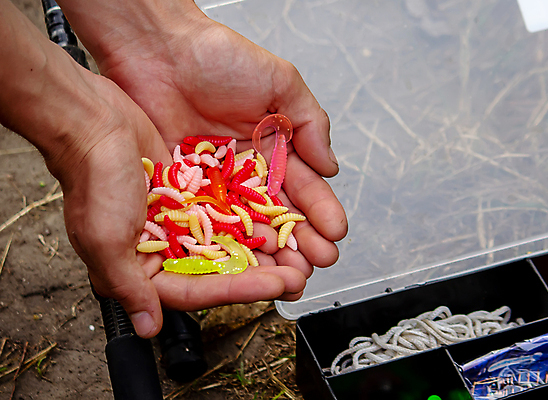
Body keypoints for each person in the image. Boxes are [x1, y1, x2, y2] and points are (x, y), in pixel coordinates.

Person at [0, 0, 348, 338]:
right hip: (195, 204)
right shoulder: (187, 189)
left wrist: (168, 36)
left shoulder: (221, 180)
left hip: (206, 204)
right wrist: (83, 132)